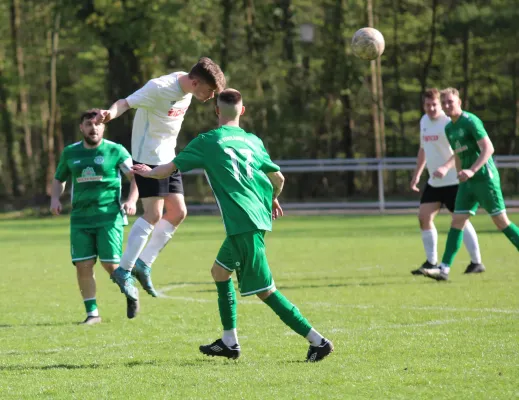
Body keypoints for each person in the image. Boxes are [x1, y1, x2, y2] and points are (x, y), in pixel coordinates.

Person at [132, 89, 334, 362]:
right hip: (254, 218)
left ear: (217, 110)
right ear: (243, 110)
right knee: (219, 273)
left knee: (265, 290)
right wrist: (271, 200)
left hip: (243, 223)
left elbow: (169, 169)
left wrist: (147, 171)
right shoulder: (253, 141)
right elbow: (279, 179)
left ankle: (317, 341)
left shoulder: (208, 141)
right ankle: (229, 341)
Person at [96, 57, 226, 301]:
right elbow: (125, 102)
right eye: (209, 91)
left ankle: (142, 265)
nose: (210, 97)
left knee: (178, 212)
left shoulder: (187, 86)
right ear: (196, 82)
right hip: (148, 158)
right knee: (153, 215)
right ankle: (124, 270)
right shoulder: (158, 87)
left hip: (168, 158)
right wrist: (109, 114)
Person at [50, 110, 139, 324]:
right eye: (89, 124)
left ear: (104, 127)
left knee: (111, 265)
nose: (94, 128)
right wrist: (55, 198)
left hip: (108, 217)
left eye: (98, 124)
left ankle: (130, 290)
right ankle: (92, 314)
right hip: (80, 219)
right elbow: (59, 178)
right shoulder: (70, 152)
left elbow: (135, 176)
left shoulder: (116, 150)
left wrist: (132, 200)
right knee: (83, 265)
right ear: (81, 128)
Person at [423, 88, 519, 281]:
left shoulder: (471, 121)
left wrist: (472, 170)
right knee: (457, 221)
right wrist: (460, 175)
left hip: (485, 178)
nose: (448, 105)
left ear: (459, 101)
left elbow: (488, 148)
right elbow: (458, 154)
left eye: (451, 101)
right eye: (445, 103)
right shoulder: (449, 128)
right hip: (467, 183)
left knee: (501, 222)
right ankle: (444, 269)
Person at [410, 88, 483, 276]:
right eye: (427, 105)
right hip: (434, 182)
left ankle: (476, 262)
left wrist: (445, 167)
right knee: (424, 217)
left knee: (460, 221)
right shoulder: (424, 121)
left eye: (434, 104)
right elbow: (423, 149)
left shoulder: (448, 122)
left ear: (440, 104)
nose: (431, 108)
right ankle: (431, 262)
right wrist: (417, 174)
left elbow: (458, 151)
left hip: (453, 181)